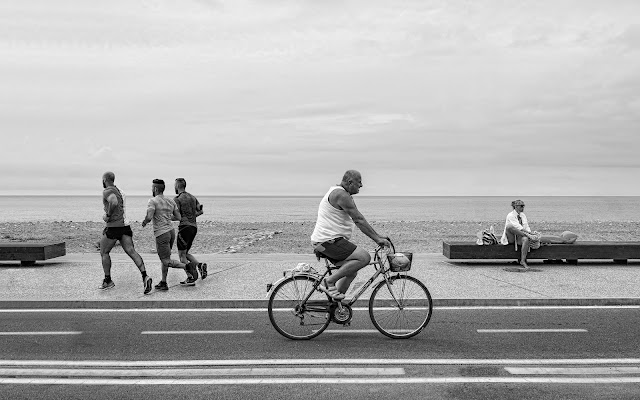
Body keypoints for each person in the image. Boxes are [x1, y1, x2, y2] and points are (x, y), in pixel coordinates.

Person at [310, 170, 390, 300]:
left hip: (325, 241)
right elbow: (358, 220)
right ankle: (329, 281)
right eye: (359, 182)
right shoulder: (341, 195)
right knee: (364, 257)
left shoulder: (342, 193)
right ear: (350, 182)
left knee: (351, 272)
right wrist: (377, 239)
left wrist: (378, 236)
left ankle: (335, 307)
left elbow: (359, 218)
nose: (361, 185)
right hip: (328, 241)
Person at [99, 171, 153, 295]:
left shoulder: (107, 191)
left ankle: (108, 280)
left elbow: (113, 202)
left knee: (104, 252)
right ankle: (145, 276)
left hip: (113, 227)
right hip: (125, 226)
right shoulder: (119, 191)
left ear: (105, 180)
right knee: (131, 251)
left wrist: (107, 215)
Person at [142, 179, 198, 291]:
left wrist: (145, 221)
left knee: (166, 261)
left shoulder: (152, 201)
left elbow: (149, 216)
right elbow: (178, 217)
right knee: (165, 258)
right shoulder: (170, 201)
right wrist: (166, 217)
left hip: (161, 233)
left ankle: (187, 266)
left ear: (156, 189)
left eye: (152, 188)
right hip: (171, 232)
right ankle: (163, 282)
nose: (152, 189)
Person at [500, 199, 578, 270]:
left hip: (521, 236)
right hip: (511, 237)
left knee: (526, 239)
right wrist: (529, 234)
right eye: (521, 206)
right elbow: (518, 226)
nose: (523, 207)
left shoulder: (523, 215)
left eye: (523, 206)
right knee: (509, 226)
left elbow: (526, 226)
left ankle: (522, 261)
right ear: (516, 207)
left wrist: (531, 233)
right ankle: (527, 236)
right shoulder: (510, 215)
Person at [174, 178, 207, 282]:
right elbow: (200, 211)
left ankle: (190, 277)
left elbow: (177, 216)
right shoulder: (193, 198)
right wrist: (191, 216)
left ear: (177, 186)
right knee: (186, 252)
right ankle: (199, 265)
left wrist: (165, 218)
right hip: (193, 227)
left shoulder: (177, 199)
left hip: (184, 228)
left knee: (181, 255)